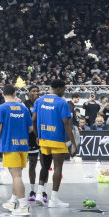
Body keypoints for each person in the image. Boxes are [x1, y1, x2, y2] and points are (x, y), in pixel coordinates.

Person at [34, 79, 78, 208]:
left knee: (44, 166)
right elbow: (66, 123)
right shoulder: (62, 103)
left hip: (43, 139)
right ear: (59, 88)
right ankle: (54, 199)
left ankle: (39, 194)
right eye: (64, 89)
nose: (64, 91)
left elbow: (34, 120)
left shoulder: (39, 101)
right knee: (58, 168)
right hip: (57, 139)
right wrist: (74, 144)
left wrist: (38, 136)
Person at [0, 85, 33, 217]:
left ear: (3, 94)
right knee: (18, 175)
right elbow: (31, 129)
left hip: (10, 145)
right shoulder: (24, 108)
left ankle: (23, 206)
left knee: (16, 176)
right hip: (23, 145)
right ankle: (13, 201)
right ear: (15, 94)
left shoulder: (1, 108)